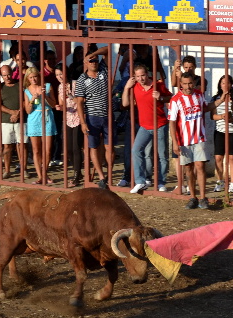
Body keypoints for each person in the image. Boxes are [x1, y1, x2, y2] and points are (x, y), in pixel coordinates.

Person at [122, 63, 171, 193]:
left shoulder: (158, 85)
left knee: (162, 155)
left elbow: (171, 97)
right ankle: (140, 181)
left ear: (148, 74)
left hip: (160, 124)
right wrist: (127, 88)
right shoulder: (135, 87)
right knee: (136, 150)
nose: (141, 78)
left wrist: (160, 97)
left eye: (143, 75)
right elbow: (125, 103)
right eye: (138, 76)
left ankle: (161, 182)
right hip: (144, 126)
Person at [169, 71, 210, 209]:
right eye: (185, 83)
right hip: (184, 140)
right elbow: (172, 122)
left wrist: (221, 99)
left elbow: (206, 108)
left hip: (199, 137)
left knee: (200, 166)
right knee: (188, 169)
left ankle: (203, 198)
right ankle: (193, 198)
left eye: (190, 83)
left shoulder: (199, 95)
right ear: (180, 83)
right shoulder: (175, 100)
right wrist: (175, 142)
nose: (188, 86)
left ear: (194, 82)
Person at [75, 45, 112, 189]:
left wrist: (93, 54)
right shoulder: (82, 79)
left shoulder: (104, 69)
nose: (94, 62)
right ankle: (102, 178)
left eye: (95, 60)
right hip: (92, 117)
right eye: (91, 61)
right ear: (85, 63)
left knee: (110, 148)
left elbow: (108, 49)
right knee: (94, 147)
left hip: (108, 115)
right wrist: (83, 122)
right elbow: (79, 103)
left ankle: (108, 173)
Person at [24, 67, 56, 184]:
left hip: (47, 117)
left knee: (47, 150)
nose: (34, 79)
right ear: (28, 78)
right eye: (31, 77)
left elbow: (53, 104)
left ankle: (44, 173)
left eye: (35, 76)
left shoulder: (47, 86)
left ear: (39, 76)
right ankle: (41, 176)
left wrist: (45, 96)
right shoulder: (27, 91)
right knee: (36, 150)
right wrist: (32, 99)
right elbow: (27, 110)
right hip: (34, 119)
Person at [210, 74, 233, 194]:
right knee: (218, 158)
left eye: (227, 83)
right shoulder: (216, 98)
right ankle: (220, 181)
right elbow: (212, 116)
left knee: (232, 157)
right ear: (220, 85)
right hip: (220, 132)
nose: (225, 85)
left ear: (231, 84)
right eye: (223, 83)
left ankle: (232, 183)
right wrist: (222, 116)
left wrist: (232, 118)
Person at [0, 64, 27, 179]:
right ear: (1, 76)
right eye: (4, 75)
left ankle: (23, 169)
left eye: (9, 74)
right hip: (6, 120)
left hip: (21, 119)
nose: (7, 77)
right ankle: (7, 170)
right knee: (7, 146)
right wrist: (12, 113)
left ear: (12, 72)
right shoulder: (0, 88)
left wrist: (18, 113)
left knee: (22, 145)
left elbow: (26, 100)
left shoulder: (19, 85)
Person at [58, 65, 83, 187]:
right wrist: (60, 107)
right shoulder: (60, 87)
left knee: (76, 147)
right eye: (57, 75)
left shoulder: (75, 84)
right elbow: (62, 103)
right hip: (68, 118)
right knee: (68, 149)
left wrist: (71, 96)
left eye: (61, 74)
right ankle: (77, 171)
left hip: (78, 117)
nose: (60, 77)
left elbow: (81, 101)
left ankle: (76, 176)